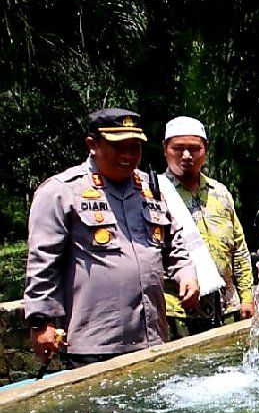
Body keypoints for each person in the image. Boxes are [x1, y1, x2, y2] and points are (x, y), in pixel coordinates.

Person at [24, 108, 199, 368]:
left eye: (135, 147)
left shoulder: (149, 189)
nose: (129, 155)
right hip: (96, 344)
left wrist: (186, 272)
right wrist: (41, 321)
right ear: (92, 145)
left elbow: (173, 242)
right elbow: (43, 261)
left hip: (151, 338)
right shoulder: (62, 191)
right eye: (119, 147)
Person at [160, 116, 255, 338]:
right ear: (165, 149)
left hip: (226, 308)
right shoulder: (154, 194)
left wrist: (246, 296)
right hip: (177, 312)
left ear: (205, 149)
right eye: (178, 148)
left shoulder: (219, 193)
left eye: (194, 149)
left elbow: (239, 249)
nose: (186, 156)